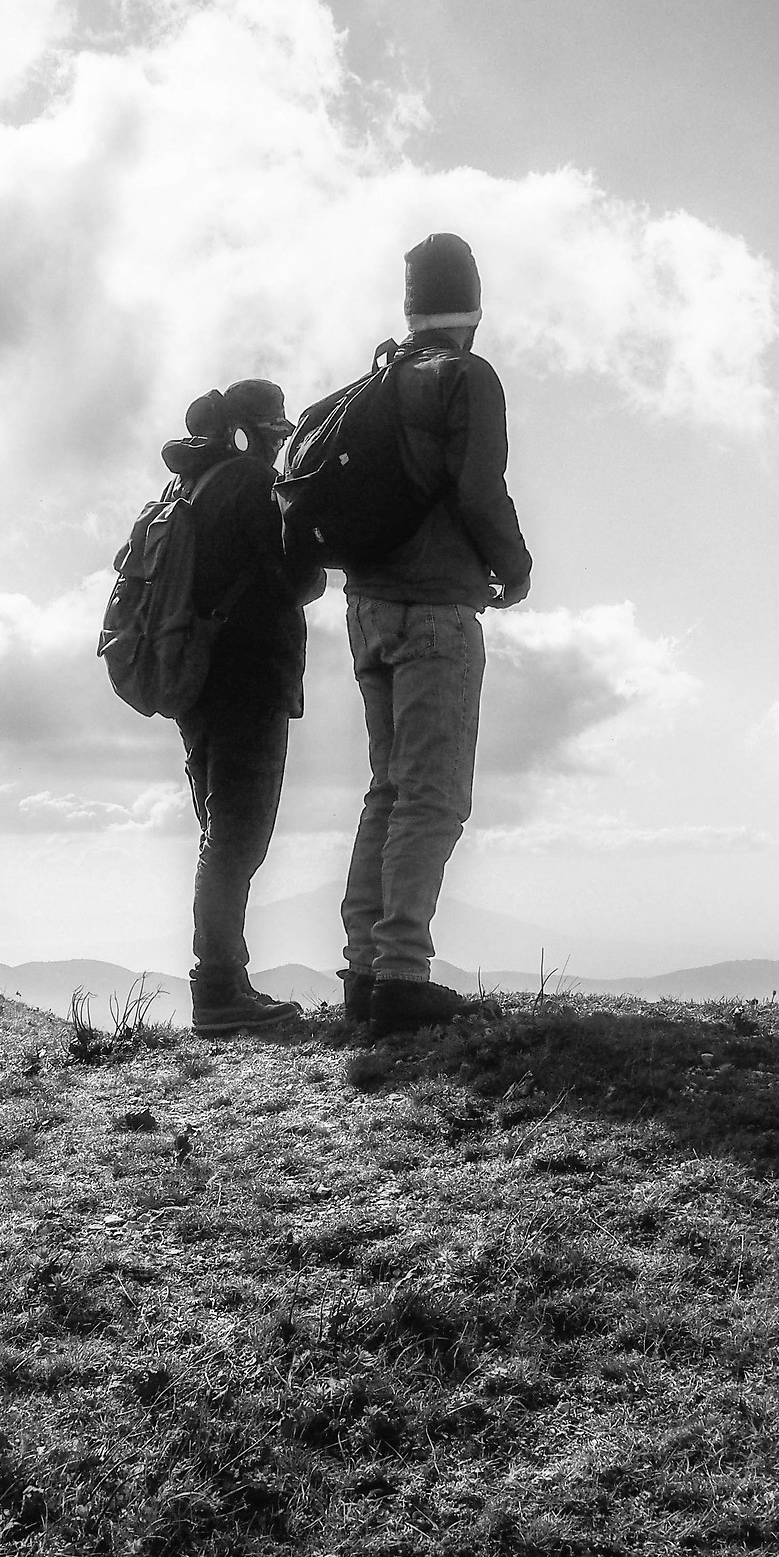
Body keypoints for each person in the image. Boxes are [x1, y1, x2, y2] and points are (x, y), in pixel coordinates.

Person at [338, 233, 532, 1034]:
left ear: (411, 307)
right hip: (435, 610)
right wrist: (513, 567)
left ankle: (364, 971)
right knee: (436, 796)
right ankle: (401, 977)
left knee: (388, 788)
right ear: (474, 312)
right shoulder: (466, 377)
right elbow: (481, 489)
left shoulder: (376, 379)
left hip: (368, 609)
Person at [162, 380, 325, 1035]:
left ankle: (222, 984)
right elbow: (296, 578)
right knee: (236, 838)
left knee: (219, 832)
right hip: (248, 678)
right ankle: (220, 989)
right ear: (256, 429)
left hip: (198, 683)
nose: (282, 443)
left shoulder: (190, 487)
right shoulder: (251, 483)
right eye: (278, 432)